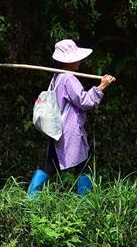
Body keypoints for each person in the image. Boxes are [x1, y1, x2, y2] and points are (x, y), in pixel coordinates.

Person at [26, 39, 115, 198]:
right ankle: (85, 201)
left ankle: (30, 198)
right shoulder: (68, 78)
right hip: (68, 131)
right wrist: (102, 86)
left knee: (49, 165)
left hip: (58, 129)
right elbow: (85, 102)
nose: (80, 61)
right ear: (69, 60)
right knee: (83, 165)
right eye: (77, 58)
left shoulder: (57, 77)